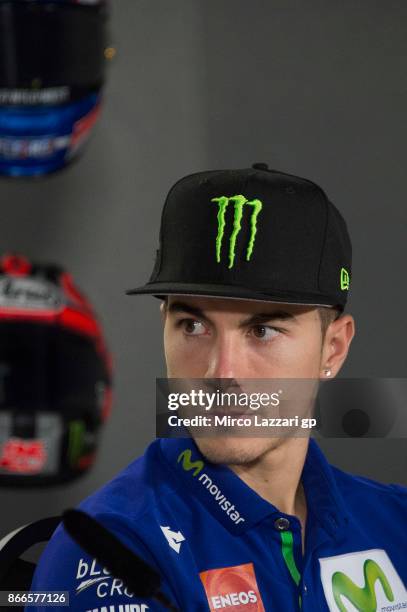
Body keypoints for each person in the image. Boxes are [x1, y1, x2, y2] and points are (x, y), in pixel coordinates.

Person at [28, 164, 407, 611]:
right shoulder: (109, 549)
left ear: (333, 349)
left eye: (262, 330)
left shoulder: (395, 522)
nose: (221, 371)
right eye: (193, 325)